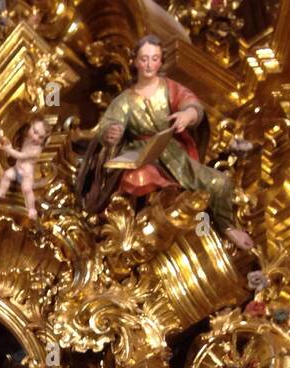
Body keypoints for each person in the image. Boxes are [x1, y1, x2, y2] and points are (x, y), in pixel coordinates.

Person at [74, 34, 254, 251]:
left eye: (154, 58)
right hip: (141, 154)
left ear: (160, 61)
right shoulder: (124, 100)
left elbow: (192, 104)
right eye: (144, 58)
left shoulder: (169, 88)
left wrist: (187, 115)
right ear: (136, 61)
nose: (149, 64)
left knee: (221, 183)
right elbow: (110, 125)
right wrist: (113, 133)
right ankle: (138, 230)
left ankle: (227, 227)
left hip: (175, 154)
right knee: (141, 177)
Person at [0, 117, 49, 220]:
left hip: (26, 175)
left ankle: (31, 209)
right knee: (6, 175)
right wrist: (5, 142)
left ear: (44, 140)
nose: (36, 138)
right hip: (16, 169)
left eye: (40, 137)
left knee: (26, 189)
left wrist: (8, 150)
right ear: (30, 127)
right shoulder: (27, 139)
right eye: (35, 132)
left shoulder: (36, 150)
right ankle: (1, 192)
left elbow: (20, 156)